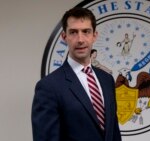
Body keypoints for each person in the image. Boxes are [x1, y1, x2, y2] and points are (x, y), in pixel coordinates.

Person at [31, 7, 121, 141]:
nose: (80, 39)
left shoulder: (107, 80)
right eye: (73, 32)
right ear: (64, 36)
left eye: (86, 31)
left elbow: (114, 133)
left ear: (94, 35)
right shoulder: (48, 87)